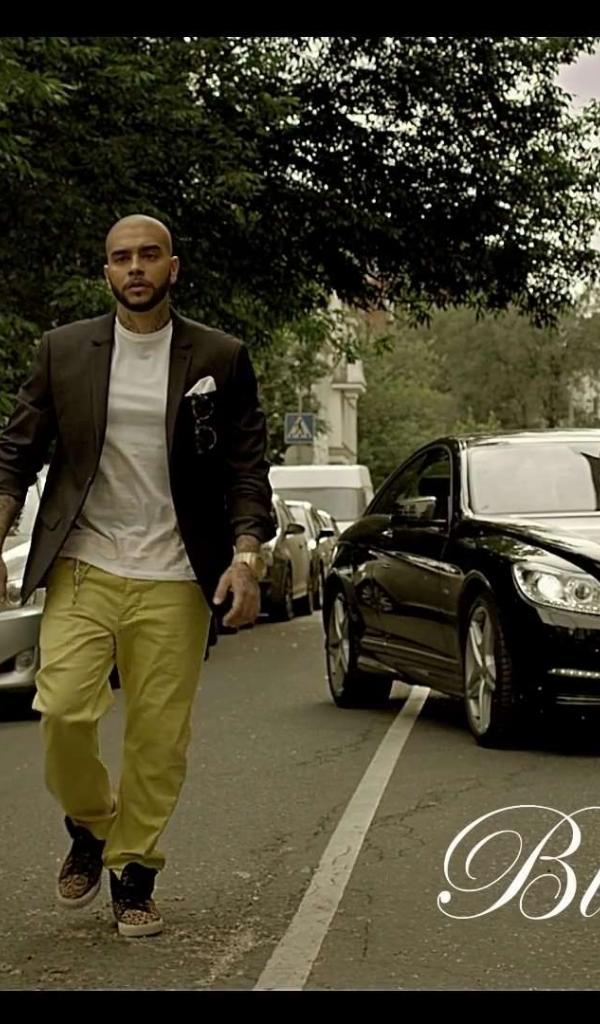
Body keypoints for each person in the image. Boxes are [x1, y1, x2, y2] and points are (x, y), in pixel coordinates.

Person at [0, 214, 274, 937]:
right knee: (62, 709)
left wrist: (245, 558)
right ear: (107, 273)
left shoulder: (219, 356)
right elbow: (15, 454)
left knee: (159, 735)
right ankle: (93, 824)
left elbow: (247, 468)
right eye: (122, 258)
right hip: (84, 563)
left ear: (172, 267)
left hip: (177, 575)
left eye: (149, 255)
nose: (136, 268)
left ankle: (134, 871)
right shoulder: (65, 350)